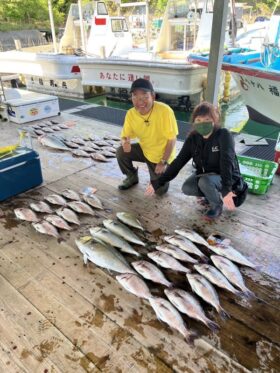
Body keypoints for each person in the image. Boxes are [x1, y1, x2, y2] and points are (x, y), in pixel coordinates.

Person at [145, 101, 248, 219]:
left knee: (205, 182)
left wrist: (226, 189)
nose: (202, 123)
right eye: (198, 120)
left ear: (214, 120)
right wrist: (158, 182)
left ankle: (216, 205)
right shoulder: (193, 139)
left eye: (207, 120)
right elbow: (178, 162)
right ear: (194, 122)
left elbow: (227, 162)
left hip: (226, 177)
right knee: (187, 187)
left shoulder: (223, 135)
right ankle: (210, 197)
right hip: (206, 174)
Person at [116, 78, 178, 195]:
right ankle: (131, 176)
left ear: (153, 97)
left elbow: (172, 139)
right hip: (145, 149)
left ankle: (164, 175)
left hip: (161, 155)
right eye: (135, 96)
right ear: (132, 98)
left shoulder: (165, 111)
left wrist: (163, 162)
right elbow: (125, 136)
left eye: (145, 96)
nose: (140, 101)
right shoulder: (131, 114)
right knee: (120, 152)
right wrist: (124, 142)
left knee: (160, 191)